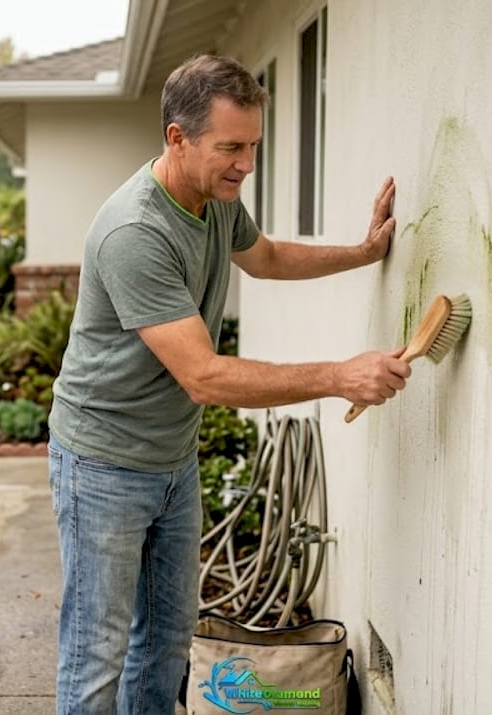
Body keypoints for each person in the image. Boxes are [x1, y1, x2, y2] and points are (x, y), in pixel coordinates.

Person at [46, 54, 411, 714]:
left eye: (254, 146)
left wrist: (363, 254)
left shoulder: (214, 200)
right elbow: (205, 376)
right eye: (231, 147)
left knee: (163, 644)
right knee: (95, 650)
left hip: (171, 461)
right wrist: (338, 374)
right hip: (102, 464)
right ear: (177, 138)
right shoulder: (137, 230)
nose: (246, 164)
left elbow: (265, 256)